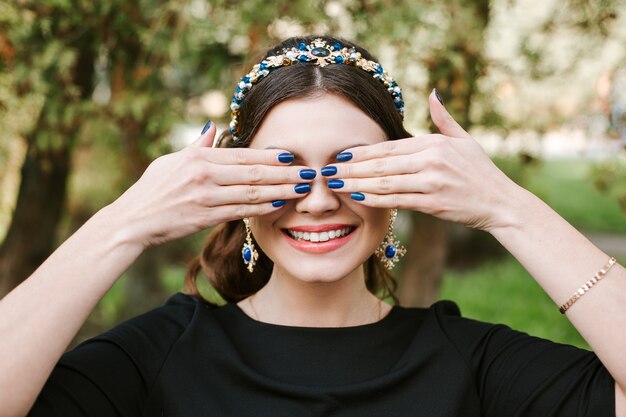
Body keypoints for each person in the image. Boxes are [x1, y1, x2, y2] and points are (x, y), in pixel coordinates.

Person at [0, 35, 624, 417]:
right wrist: (124, 224)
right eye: (285, 171)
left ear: (402, 178)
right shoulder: (160, 355)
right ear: (237, 183)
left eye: (350, 167)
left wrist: (507, 205)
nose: (319, 200)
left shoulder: (472, 363)